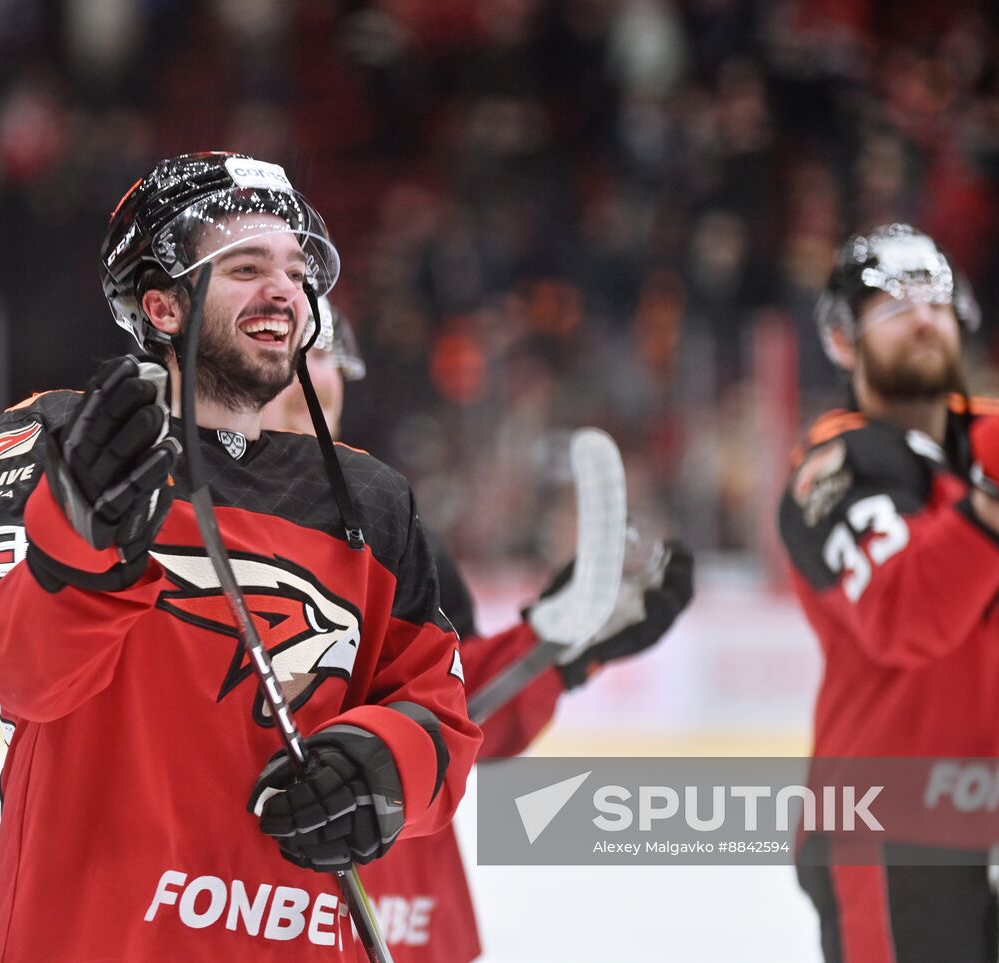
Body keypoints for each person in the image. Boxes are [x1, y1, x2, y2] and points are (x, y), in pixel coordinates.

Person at [0, 152, 481, 962]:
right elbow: (16, 668)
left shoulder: (370, 501)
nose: (284, 291)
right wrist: (82, 535)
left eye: (297, 271)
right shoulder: (59, 440)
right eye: (247, 266)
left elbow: (436, 714)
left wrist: (382, 767)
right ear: (161, 303)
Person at [262, 301, 696, 961]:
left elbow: (455, 709)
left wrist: (556, 647)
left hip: (402, 917)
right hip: (237, 911)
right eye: (279, 352)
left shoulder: (392, 529)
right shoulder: (173, 529)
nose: (304, 375)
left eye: (320, 354)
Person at [778, 224, 999, 962]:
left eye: (937, 300)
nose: (924, 317)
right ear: (844, 341)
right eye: (894, 307)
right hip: (889, 838)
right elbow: (905, 615)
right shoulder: (833, 471)